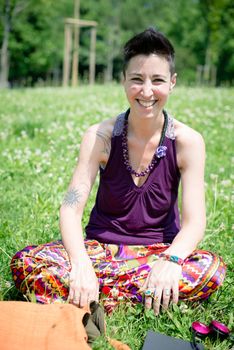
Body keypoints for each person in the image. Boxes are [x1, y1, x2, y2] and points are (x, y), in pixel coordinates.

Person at [11, 28, 226, 316]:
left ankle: (94, 296)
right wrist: (81, 263)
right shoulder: (99, 136)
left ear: (172, 83)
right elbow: (70, 209)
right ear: (123, 80)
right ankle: (134, 296)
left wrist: (172, 260)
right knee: (26, 261)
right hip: (99, 251)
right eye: (137, 79)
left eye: (158, 80)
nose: (147, 91)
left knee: (211, 269)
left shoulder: (188, 142)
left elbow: (195, 221)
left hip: (157, 254)